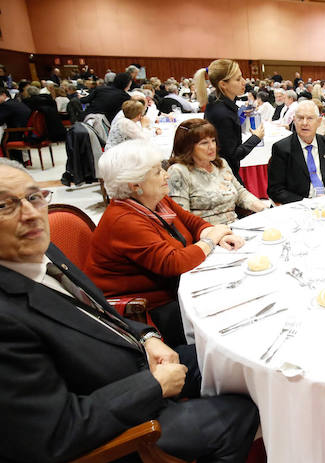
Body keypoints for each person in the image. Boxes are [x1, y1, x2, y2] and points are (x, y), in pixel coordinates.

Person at [0, 158, 259, 463]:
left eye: (34, 197)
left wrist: (148, 337)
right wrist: (153, 386)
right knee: (239, 416)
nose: (30, 214)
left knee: (237, 358)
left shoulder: (37, 249)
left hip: (125, 366)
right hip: (107, 438)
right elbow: (53, 434)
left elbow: (98, 311)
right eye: (3, 205)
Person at [84, 141, 245, 345]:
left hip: (175, 288)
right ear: (135, 186)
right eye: (158, 172)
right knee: (230, 315)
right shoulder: (124, 220)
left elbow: (191, 222)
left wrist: (216, 234)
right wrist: (211, 239)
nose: (166, 175)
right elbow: (173, 263)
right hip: (146, 312)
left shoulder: (155, 200)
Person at [168, 118, 267, 224]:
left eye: (213, 140)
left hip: (235, 226)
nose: (212, 147)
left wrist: (264, 209)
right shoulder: (179, 171)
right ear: (188, 147)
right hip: (206, 233)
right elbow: (182, 218)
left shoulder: (221, 164)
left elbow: (240, 194)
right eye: (204, 143)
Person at [267, 100, 325, 204]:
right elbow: (275, 190)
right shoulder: (282, 149)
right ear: (294, 120)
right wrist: (305, 203)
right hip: (299, 206)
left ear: (319, 122)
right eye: (300, 118)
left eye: (310, 118)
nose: (304, 123)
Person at [200, 59, 264, 181]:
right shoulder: (222, 113)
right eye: (238, 79)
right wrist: (255, 138)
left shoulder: (217, 102)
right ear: (223, 84)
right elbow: (233, 155)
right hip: (225, 175)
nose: (244, 82)